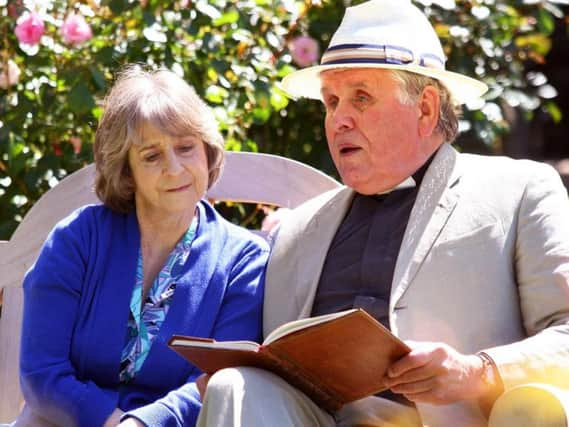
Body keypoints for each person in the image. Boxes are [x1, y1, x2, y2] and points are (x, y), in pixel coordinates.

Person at [196, 1, 569, 426]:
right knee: (235, 386)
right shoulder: (297, 228)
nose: (338, 120)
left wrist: (477, 371)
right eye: (331, 101)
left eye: (361, 98)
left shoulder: (519, 191)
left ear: (426, 110)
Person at [16, 66, 269, 427]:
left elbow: (219, 381)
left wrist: (141, 424)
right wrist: (110, 419)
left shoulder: (244, 262)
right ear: (126, 171)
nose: (174, 168)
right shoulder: (77, 240)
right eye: (151, 156)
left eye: (186, 148)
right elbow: (42, 372)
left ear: (208, 152)